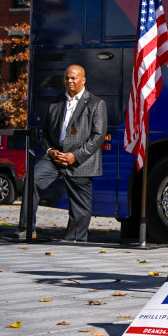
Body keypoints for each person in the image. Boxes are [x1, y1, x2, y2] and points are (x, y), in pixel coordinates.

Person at [18, 64, 108, 242]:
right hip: (54, 158)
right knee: (32, 179)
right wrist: (51, 151)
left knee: (80, 206)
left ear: (83, 80)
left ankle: (75, 239)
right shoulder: (56, 103)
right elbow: (44, 133)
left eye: (73, 78)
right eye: (67, 77)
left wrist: (75, 156)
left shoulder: (96, 104)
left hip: (80, 160)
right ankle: (26, 229)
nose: (69, 81)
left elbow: (98, 136)